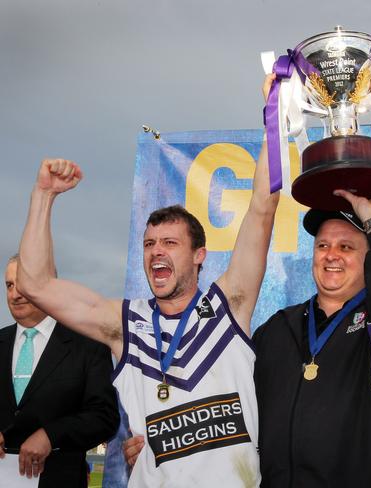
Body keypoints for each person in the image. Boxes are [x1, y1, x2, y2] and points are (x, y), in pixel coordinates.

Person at [16, 77, 279, 487]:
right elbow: (35, 283)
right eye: (150, 243)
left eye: (170, 243)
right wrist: (43, 196)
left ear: (199, 255)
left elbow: (262, 209)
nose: (157, 251)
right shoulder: (125, 324)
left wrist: (274, 118)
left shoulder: (229, 304)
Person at [252, 189, 371, 487]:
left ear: (369, 259)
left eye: (346, 247)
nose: (331, 255)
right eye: (322, 245)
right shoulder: (278, 327)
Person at [0, 254, 119, 487]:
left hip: (59, 479)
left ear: (47, 286)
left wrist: (51, 435)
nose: (14, 294)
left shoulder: (89, 345)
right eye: (9, 285)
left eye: (23, 285)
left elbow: (104, 416)